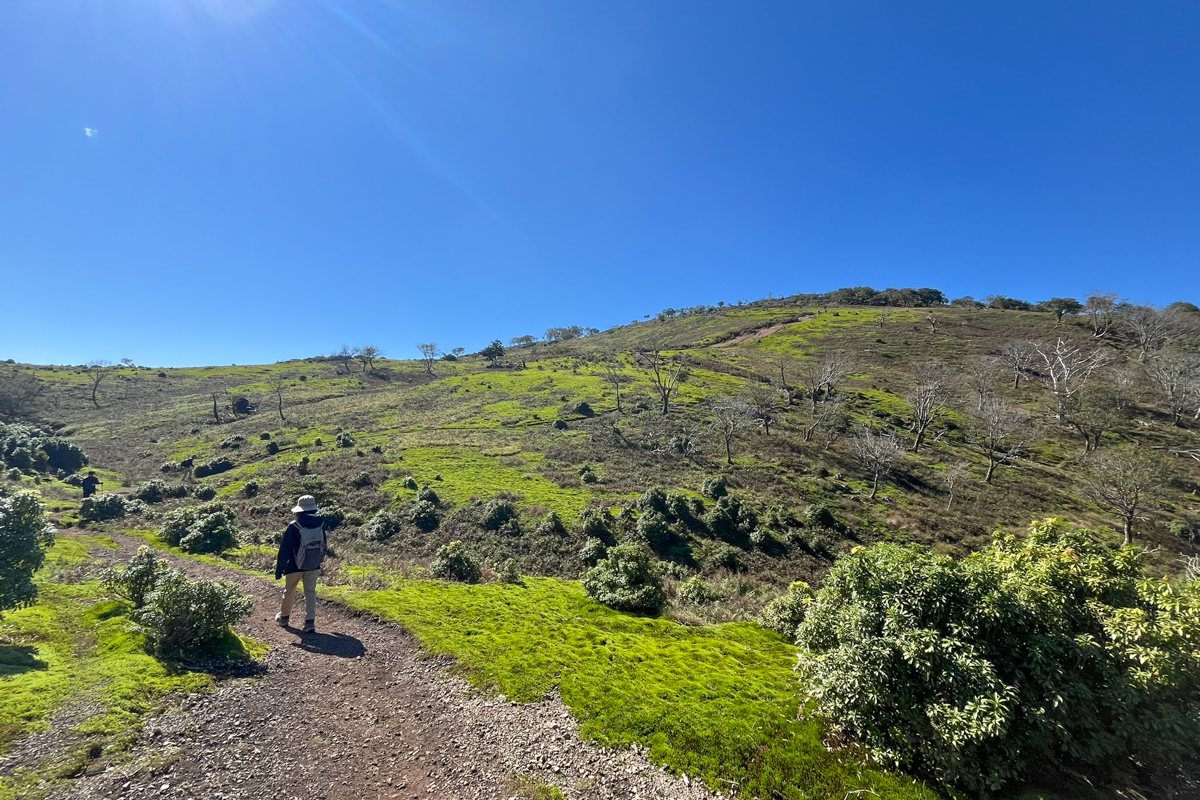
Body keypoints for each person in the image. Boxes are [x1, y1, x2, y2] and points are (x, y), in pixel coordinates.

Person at [274, 495, 328, 634]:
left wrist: (279, 569)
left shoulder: (294, 526)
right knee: (310, 592)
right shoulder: (320, 524)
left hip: (294, 566)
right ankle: (310, 622)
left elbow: (285, 549)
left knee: (290, 591)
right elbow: (324, 545)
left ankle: (284, 618)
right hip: (313, 565)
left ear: (299, 511)